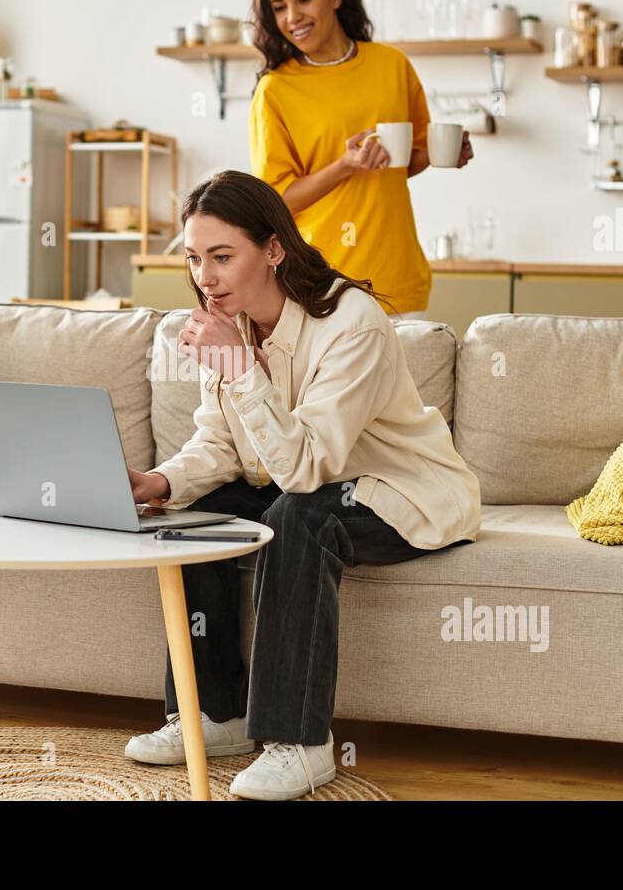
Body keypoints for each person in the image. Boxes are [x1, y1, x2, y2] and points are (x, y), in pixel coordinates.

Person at [124, 170, 481, 799]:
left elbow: (305, 469)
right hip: (309, 484)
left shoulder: (353, 323)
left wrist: (237, 371)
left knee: (299, 515)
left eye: (222, 257)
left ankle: (300, 743)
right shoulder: (228, 323)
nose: (205, 277)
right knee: (195, 510)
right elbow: (222, 447)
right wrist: (157, 482)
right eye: (194, 258)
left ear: (274, 249)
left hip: (399, 491)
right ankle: (215, 717)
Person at [247, 0, 473, 321]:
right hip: (320, 281)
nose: (292, 17)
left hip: (396, 273)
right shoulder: (276, 90)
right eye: (279, 8)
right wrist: (345, 165)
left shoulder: (391, 65)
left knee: (405, 383)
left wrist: (439, 155)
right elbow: (278, 199)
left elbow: (403, 162)